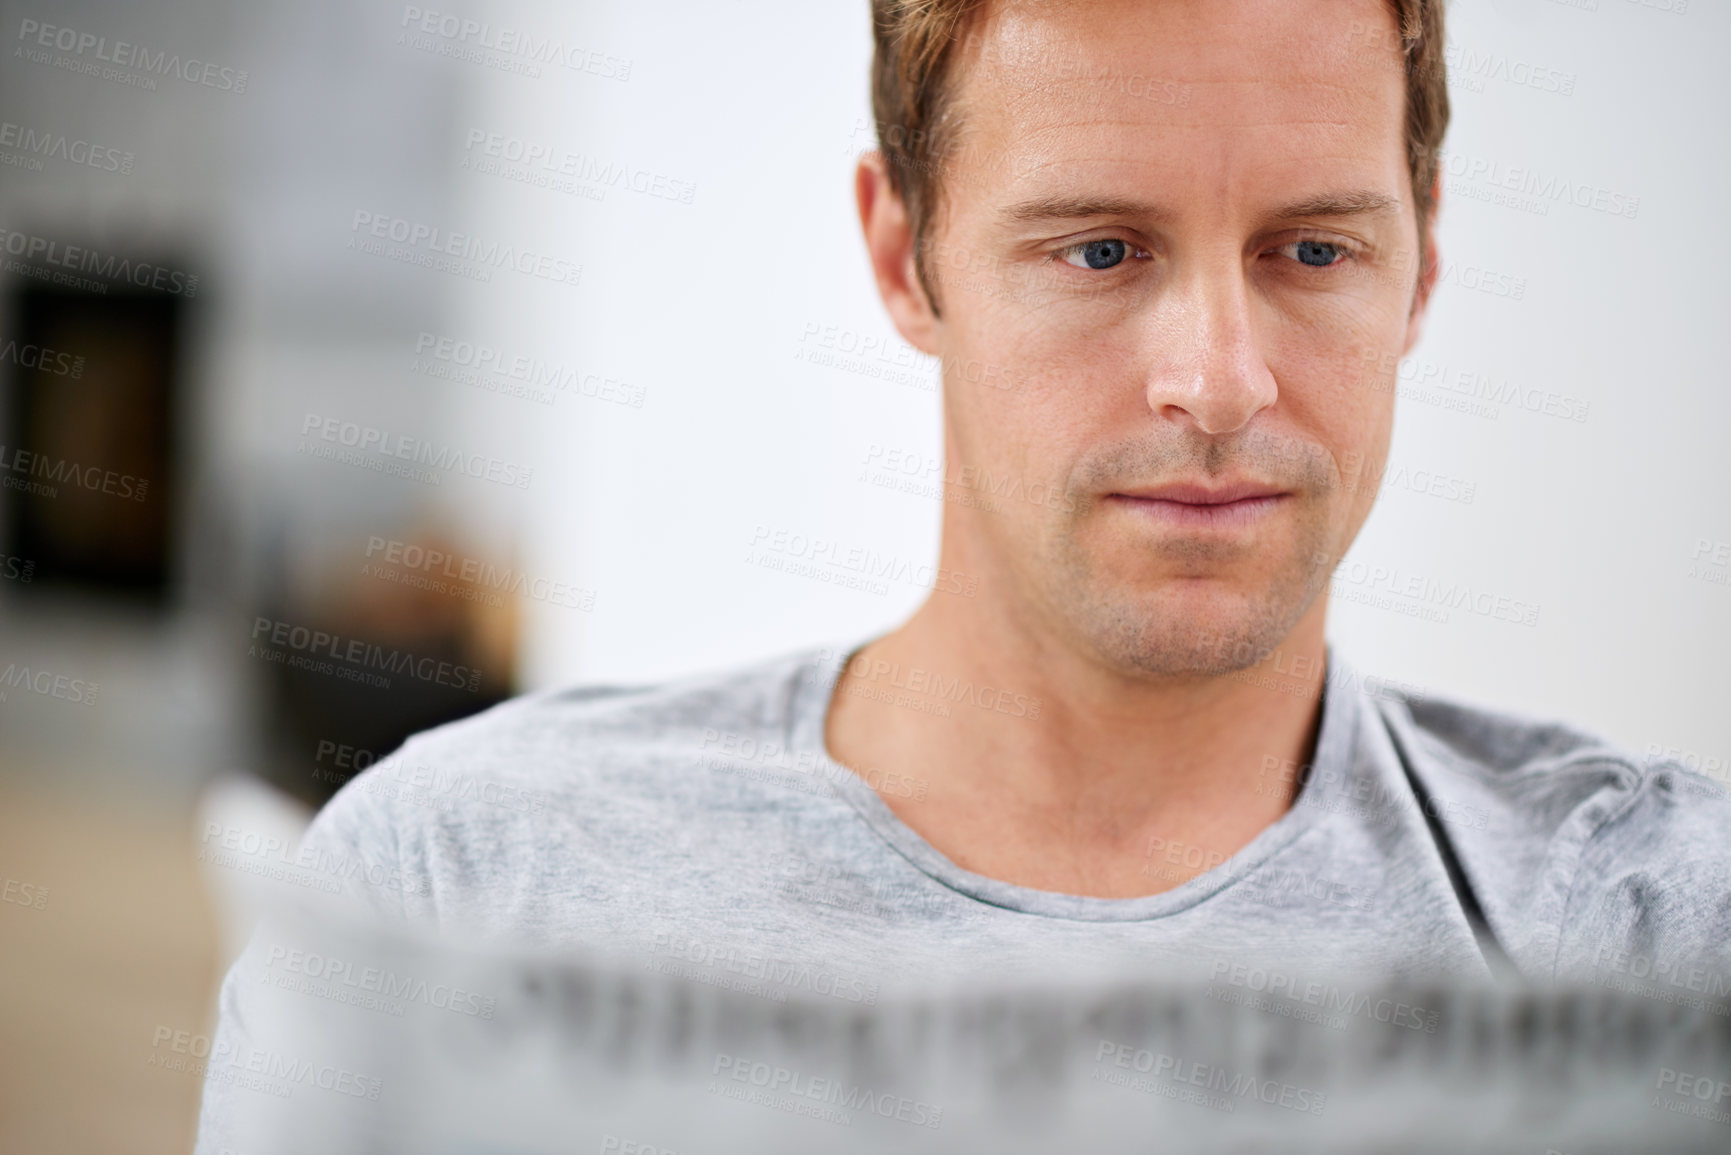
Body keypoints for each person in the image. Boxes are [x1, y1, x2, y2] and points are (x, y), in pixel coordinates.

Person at [198, 2, 1731, 1143]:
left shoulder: (1655, 920)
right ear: (903, 253)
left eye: (1314, 252)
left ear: (1425, 262)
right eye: (1100, 251)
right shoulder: (460, 885)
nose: (1217, 381)